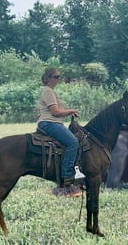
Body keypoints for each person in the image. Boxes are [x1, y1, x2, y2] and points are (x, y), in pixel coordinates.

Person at [37, 67, 82, 197]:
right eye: (56, 76)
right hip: (49, 123)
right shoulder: (47, 91)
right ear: (48, 78)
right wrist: (70, 111)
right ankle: (67, 180)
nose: (59, 79)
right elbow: (55, 112)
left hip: (53, 122)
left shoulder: (51, 91)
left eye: (59, 76)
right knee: (73, 142)